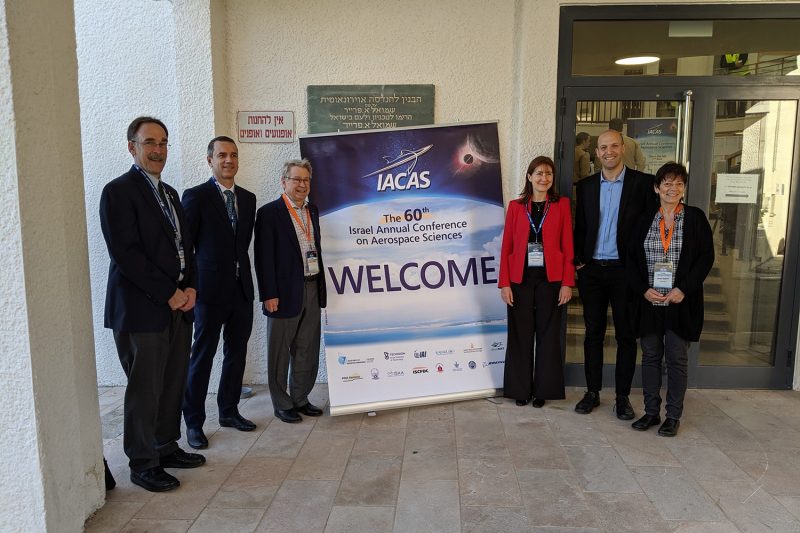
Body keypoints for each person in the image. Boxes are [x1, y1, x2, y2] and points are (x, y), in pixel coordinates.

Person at [100, 116, 205, 493]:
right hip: (142, 308)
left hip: (178, 304)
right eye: (149, 143)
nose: (157, 150)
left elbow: (184, 248)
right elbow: (127, 255)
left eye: (163, 143)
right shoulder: (118, 192)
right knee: (144, 390)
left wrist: (190, 287)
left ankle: (165, 446)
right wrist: (168, 292)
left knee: (172, 381)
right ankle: (143, 463)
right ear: (132, 147)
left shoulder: (171, 193)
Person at [573, 129, 656, 419]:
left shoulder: (644, 185)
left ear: (623, 148)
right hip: (593, 271)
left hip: (625, 273)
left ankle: (622, 397)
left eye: (613, 146)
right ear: (596, 152)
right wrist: (579, 262)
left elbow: (650, 231)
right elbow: (580, 227)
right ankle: (592, 392)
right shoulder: (585, 186)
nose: (608, 151)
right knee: (592, 333)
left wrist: (641, 270)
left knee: (625, 336)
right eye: (603, 147)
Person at [627, 162, 714, 437]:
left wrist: (683, 289)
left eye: (678, 184)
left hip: (680, 302)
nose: (672, 188)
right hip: (649, 301)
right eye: (667, 183)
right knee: (651, 356)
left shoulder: (695, 218)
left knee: (676, 358)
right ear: (656, 187)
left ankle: (673, 416)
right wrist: (643, 289)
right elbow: (631, 260)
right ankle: (651, 411)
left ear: (684, 189)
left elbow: (705, 259)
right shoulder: (644, 220)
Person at [181, 136, 257, 450]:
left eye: (234, 155)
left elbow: (241, 245)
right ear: (210, 160)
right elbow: (187, 246)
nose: (229, 160)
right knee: (202, 357)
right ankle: (194, 423)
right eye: (222, 155)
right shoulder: (196, 197)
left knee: (236, 354)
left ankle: (228, 411)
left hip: (241, 291)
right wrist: (190, 286)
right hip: (209, 294)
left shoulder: (248, 199)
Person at [254, 159, 327, 423]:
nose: (301, 184)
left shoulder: (313, 211)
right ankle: (282, 403)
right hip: (282, 293)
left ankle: (300, 398)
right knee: (279, 351)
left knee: (307, 347)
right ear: (283, 182)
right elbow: (263, 258)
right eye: (296, 179)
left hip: (311, 287)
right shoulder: (269, 213)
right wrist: (268, 294)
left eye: (306, 180)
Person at [499, 156, 574, 408]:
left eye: (549, 174)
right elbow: (506, 246)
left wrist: (567, 282)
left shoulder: (561, 205)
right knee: (520, 335)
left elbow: (567, 245)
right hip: (519, 279)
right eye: (539, 173)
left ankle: (543, 390)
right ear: (529, 177)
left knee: (548, 336)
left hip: (550, 280)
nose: (544, 178)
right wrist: (504, 283)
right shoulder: (516, 206)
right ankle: (520, 389)